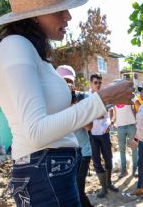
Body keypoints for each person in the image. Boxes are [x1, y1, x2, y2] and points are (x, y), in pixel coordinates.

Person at [0, 0, 134, 206]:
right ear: (35, 15)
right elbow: (36, 132)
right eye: (59, 10)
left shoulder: (27, 50)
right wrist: (103, 99)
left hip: (51, 171)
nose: (68, 16)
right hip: (45, 172)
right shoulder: (16, 47)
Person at [56, 65, 93, 207]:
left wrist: (75, 106)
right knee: (67, 192)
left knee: (78, 190)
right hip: (63, 155)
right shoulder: (54, 101)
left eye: (69, 81)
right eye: (63, 81)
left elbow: (89, 127)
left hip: (83, 152)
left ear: (74, 83)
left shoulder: (81, 99)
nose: (66, 84)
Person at [88, 73, 119, 198]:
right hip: (92, 133)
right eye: (95, 82)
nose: (98, 85)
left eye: (100, 82)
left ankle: (109, 183)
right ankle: (103, 188)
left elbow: (114, 111)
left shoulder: (106, 95)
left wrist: (111, 122)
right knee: (96, 161)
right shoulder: (87, 96)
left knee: (108, 158)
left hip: (105, 133)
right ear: (91, 83)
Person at [112, 88, 138, 178]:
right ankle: (124, 170)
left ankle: (135, 169)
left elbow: (137, 103)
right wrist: (113, 122)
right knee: (122, 149)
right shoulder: (114, 99)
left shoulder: (130, 96)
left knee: (134, 148)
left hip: (131, 125)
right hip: (120, 127)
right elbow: (114, 113)